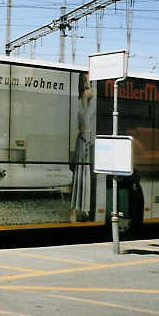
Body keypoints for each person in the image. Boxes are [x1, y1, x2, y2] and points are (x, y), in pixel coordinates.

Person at [70, 73, 95, 222]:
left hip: (82, 139)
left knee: (80, 174)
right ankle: (82, 208)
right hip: (85, 139)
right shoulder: (87, 94)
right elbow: (86, 120)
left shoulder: (81, 96)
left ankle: (77, 209)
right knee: (84, 173)